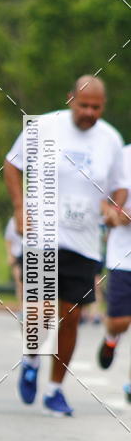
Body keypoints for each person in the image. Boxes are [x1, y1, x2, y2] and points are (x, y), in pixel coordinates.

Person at [4, 76, 127, 416]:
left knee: (70, 318)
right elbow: (12, 165)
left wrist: (112, 208)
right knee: (42, 310)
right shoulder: (44, 126)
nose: (89, 112)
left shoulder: (111, 139)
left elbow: (118, 187)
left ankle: (55, 389)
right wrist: (18, 207)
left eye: (96, 107)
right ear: (70, 98)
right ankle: (31, 358)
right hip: (42, 232)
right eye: (83, 105)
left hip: (85, 241)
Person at [97, 142, 131, 402]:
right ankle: (111, 339)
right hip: (123, 257)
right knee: (121, 321)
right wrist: (113, 214)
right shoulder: (123, 156)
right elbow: (103, 198)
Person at [4, 215, 23, 317]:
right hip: (17, 255)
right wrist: (9, 255)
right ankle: (22, 310)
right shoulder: (13, 220)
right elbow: (8, 238)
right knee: (20, 284)